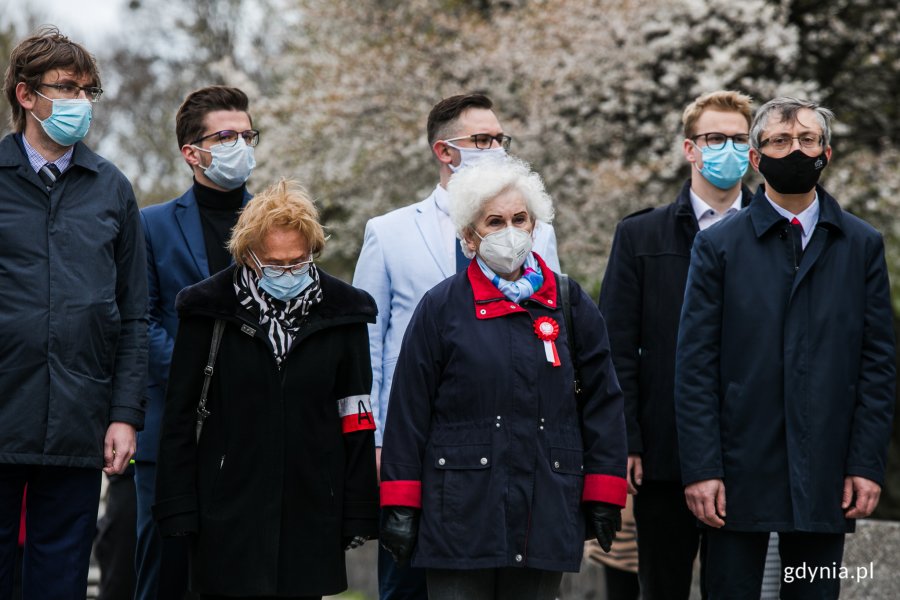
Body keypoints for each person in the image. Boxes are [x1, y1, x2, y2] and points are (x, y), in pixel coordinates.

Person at [674, 97, 896, 598]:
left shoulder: (860, 244)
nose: (794, 150)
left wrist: (865, 463)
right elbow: (695, 367)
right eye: (778, 140)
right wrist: (703, 469)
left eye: (807, 141)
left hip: (827, 470)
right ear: (756, 158)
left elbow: (877, 364)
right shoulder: (718, 247)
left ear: (826, 153)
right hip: (737, 469)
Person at [378, 158, 627, 600]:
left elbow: (603, 403)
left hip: (545, 510)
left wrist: (605, 492)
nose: (510, 230)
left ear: (534, 227)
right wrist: (400, 501)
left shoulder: (570, 305)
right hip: (459, 513)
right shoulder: (441, 308)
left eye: (519, 219)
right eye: (494, 221)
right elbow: (408, 411)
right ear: (469, 237)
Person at [352, 92, 559, 600]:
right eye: (483, 140)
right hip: (413, 442)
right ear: (444, 151)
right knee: (406, 583)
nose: (498, 149)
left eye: (500, 139)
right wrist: (375, 443)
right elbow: (367, 347)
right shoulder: (389, 232)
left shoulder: (539, 232)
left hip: (506, 440)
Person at [153, 179, 379, 599]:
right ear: (249, 256)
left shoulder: (345, 313)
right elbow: (180, 415)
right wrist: (178, 506)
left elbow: (357, 415)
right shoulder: (206, 310)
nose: (289, 273)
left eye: (299, 261)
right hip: (227, 507)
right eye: (275, 264)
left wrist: (358, 510)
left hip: (311, 506)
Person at [0, 26, 148, 599]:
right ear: (25, 95)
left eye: (90, 91)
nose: (81, 103)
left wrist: (124, 414)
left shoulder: (112, 189)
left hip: (77, 423)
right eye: (67, 88)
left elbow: (135, 313)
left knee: (60, 583)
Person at [598, 90, 754, 599]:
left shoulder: (781, 237)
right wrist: (629, 439)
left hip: (751, 453)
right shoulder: (641, 236)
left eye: (738, 139)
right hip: (664, 457)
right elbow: (616, 345)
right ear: (690, 148)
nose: (726, 149)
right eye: (715, 138)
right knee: (661, 588)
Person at [135, 85, 257, 600]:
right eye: (226, 135)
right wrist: (201, 380)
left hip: (255, 434)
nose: (241, 145)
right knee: (164, 572)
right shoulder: (151, 224)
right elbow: (140, 322)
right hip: (172, 435)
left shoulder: (279, 224)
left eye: (248, 135)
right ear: (192, 152)